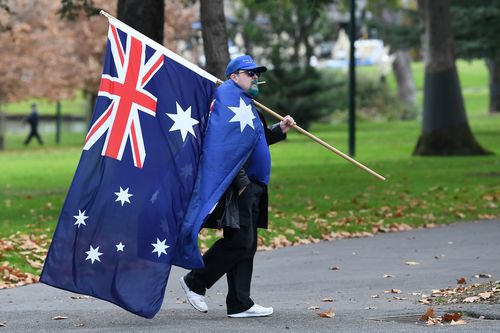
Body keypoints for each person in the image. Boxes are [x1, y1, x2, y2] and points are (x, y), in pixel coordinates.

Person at [180, 55, 295, 318]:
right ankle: (195, 281)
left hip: (255, 186)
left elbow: (254, 141)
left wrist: (280, 129)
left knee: (247, 244)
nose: (255, 77)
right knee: (240, 242)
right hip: (241, 186)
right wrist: (242, 183)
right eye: (250, 73)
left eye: (257, 73)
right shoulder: (229, 102)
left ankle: (240, 303)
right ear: (234, 77)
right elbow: (224, 151)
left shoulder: (246, 104)